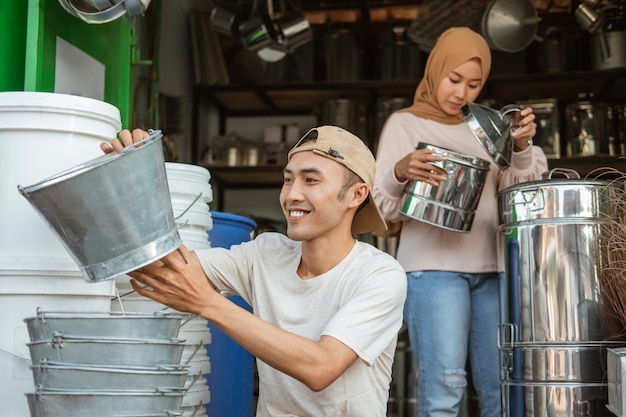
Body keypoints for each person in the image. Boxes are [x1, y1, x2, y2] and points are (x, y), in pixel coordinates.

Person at [101, 125, 407, 417]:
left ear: (357, 195)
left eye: (310, 181)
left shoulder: (379, 275)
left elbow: (321, 367)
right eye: (288, 180)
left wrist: (208, 303)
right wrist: (133, 189)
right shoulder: (266, 254)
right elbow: (162, 268)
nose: (292, 195)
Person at [372, 27, 548, 417]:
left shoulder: (487, 127)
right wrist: (399, 172)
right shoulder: (405, 124)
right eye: (454, 80)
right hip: (433, 272)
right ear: (435, 70)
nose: (461, 93)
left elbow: (520, 198)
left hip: (492, 272)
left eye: (473, 84)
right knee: (445, 387)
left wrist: (521, 150)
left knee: (500, 390)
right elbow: (380, 211)